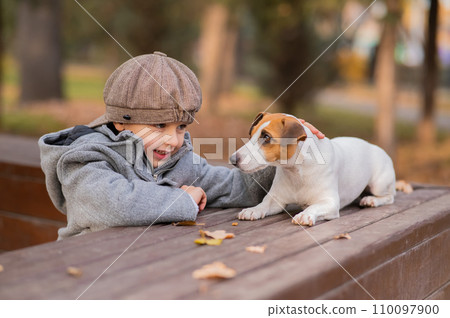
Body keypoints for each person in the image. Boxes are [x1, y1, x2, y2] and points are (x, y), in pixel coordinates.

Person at [39, 52, 324, 240]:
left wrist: (287, 153)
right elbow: (114, 204)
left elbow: (242, 187)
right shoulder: (85, 160)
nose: (174, 140)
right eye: (159, 126)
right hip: (85, 273)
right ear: (121, 122)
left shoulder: (180, 163)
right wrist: (182, 199)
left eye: (181, 127)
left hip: (151, 271)